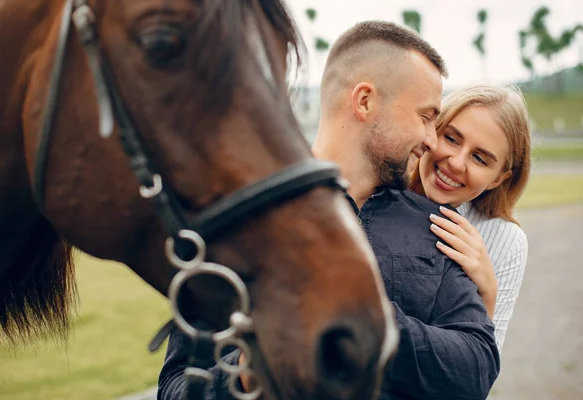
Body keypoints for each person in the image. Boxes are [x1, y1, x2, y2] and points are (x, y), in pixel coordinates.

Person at [158, 21, 500, 400]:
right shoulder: (244, 221)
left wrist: (360, 318)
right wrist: (241, 379)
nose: (431, 139)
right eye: (425, 116)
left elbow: (476, 367)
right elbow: (175, 386)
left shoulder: (437, 227)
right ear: (365, 101)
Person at [410, 84, 531, 352]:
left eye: (479, 158)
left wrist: (487, 292)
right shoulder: (378, 189)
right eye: (451, 139)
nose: (456, 162)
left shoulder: (506, 241)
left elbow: (478, 381)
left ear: (498, 178)